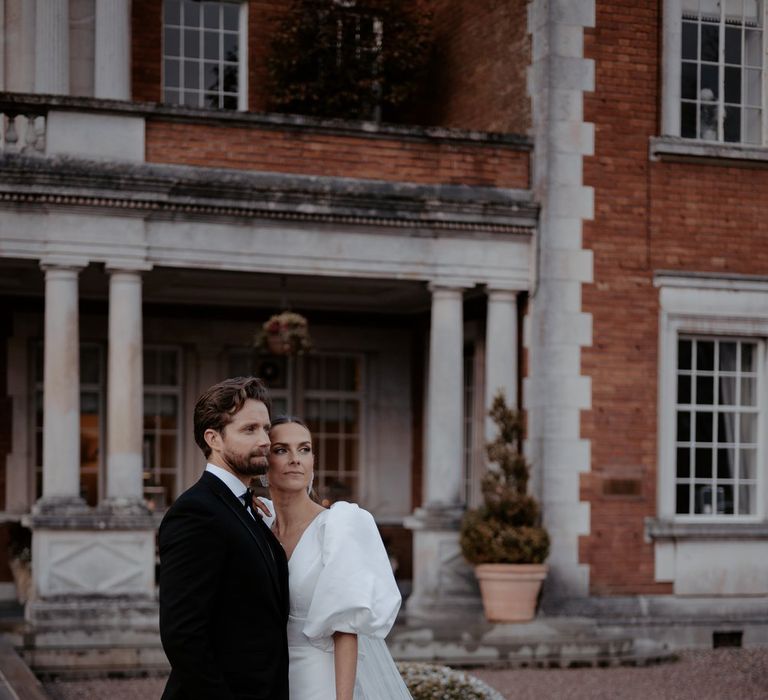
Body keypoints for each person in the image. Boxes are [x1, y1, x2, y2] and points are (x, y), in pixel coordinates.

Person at [257, 416, 412, 700]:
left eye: (304, 449)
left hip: (320, 679)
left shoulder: (338, 526)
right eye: (281, 450)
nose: (295, 459)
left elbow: (346, 630)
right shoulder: (258, 525)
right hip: (267, 679)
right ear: (264, 462)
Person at [158, 377, 289, 700]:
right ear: (213, 438)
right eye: (249, 429)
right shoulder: (195, 512)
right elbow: (183, 636)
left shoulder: (250, 508)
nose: (264, 440)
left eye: (266, 429)